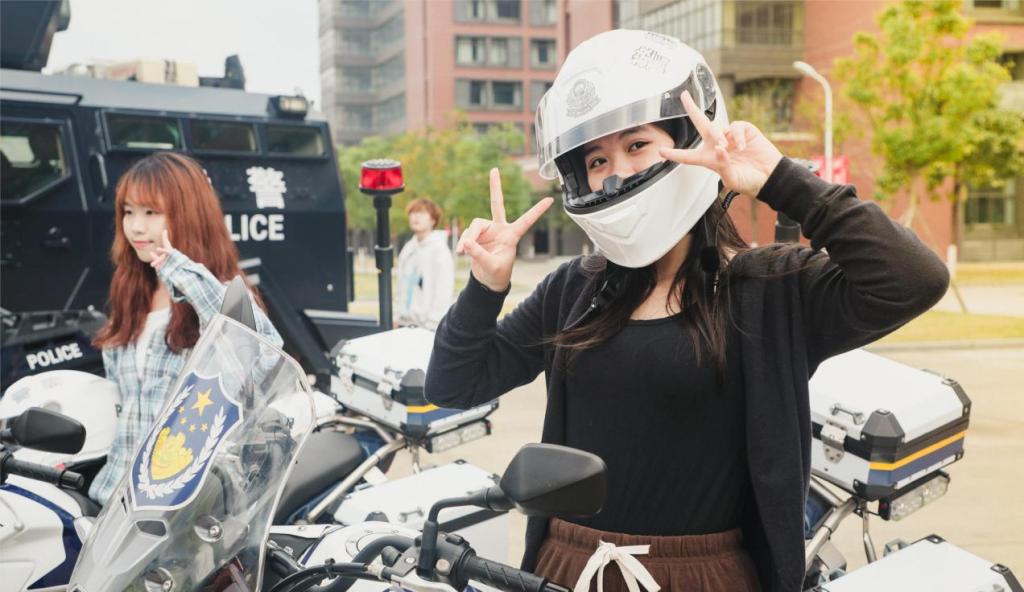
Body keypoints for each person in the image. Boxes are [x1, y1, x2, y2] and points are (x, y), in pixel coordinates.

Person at [424, 30, 949, 592]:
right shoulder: (573, 290)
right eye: (598, 159)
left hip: (703, 575)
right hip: (569, 567)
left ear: (687, 139)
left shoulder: (768, 289)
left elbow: (913, 279)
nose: (617, 172)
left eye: (637, 145)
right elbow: (454, 384)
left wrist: (781, 181)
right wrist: (485, 286)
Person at [88, 152, 280, 505]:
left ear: (188, 214)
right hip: (113, 500)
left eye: (151, 212)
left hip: (182, 504)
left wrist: (181, 271)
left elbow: (263, 360)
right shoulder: (132, 291)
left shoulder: (220, 294)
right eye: (128, 212)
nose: (136, 227)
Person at [396, 197, 455, 330]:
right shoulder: (408, 249)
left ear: (433, 220)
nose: (416, 217)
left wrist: (433, 324)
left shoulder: (439, 250)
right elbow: (400, 287)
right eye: (413, 212)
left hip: (428, 327)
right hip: (404, 324)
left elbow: (443, 292)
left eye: (422, 213)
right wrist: (396, 316)